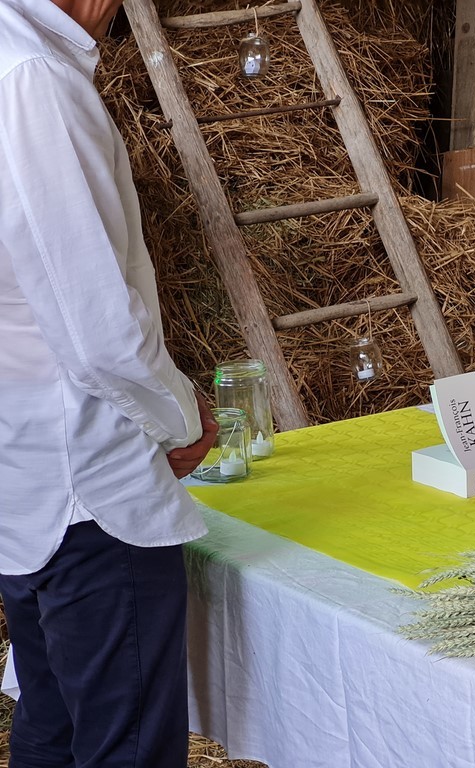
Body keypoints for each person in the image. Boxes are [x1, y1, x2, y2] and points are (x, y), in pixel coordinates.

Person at [0, 0, 219, 764]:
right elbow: (97, 331)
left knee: (52, 726)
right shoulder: (33, 79)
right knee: (124, 747)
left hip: (24, 473)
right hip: (89, 487)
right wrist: (184, 417)